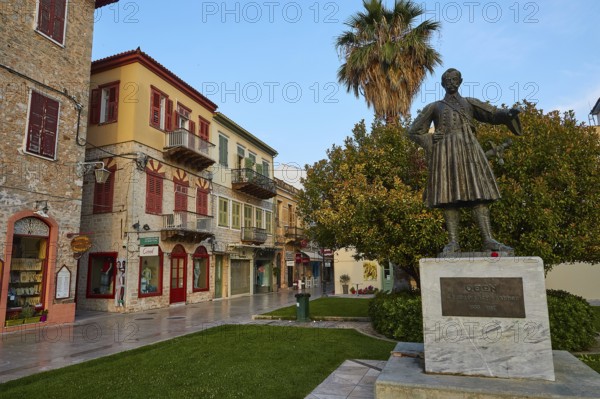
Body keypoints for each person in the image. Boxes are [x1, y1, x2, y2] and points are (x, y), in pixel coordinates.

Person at [407, 68, 522, 254]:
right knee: (449, 197)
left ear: (460, 81)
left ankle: (488, 239)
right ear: (443, 84)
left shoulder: (469, 103)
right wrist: (431, 138)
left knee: (479, 193)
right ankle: (453, 242)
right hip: (446, 153)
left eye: (454, 79)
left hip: (469, 150)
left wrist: (507, 114)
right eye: (447, 80)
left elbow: (491, 114)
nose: (451, 82)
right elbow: (413, 131)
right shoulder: (435, 107)